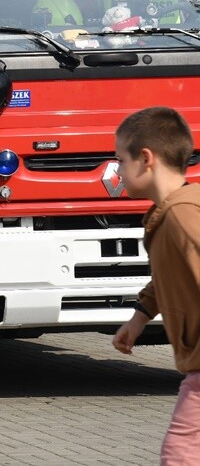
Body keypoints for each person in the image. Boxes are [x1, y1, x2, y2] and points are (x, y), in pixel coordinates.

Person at [111, 106, 200, 464]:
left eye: (120, 160)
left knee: (180, 454)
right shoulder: (174, 212)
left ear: (146, 159)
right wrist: (139, 318)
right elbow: (169, 272)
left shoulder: (183, 215)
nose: (116, 170)